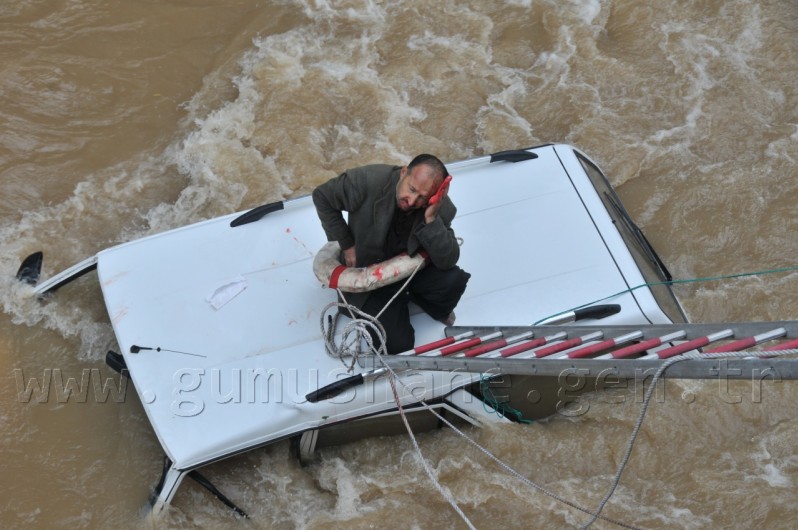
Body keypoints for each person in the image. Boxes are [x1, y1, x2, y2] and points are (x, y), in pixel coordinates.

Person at [312, 154, 470, 354]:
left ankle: (425, 303)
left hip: (408, 273)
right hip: (368, 275)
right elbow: (322, 196)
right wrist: (347, 244)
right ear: (404, 173)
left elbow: (448, 260)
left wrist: (431, 218)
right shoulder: (366, 181)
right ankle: (384, 310)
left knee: (454, 280)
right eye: (411, 189)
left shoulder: (441, 207)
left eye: (422, 197)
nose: (412, 201)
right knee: (397, 346)